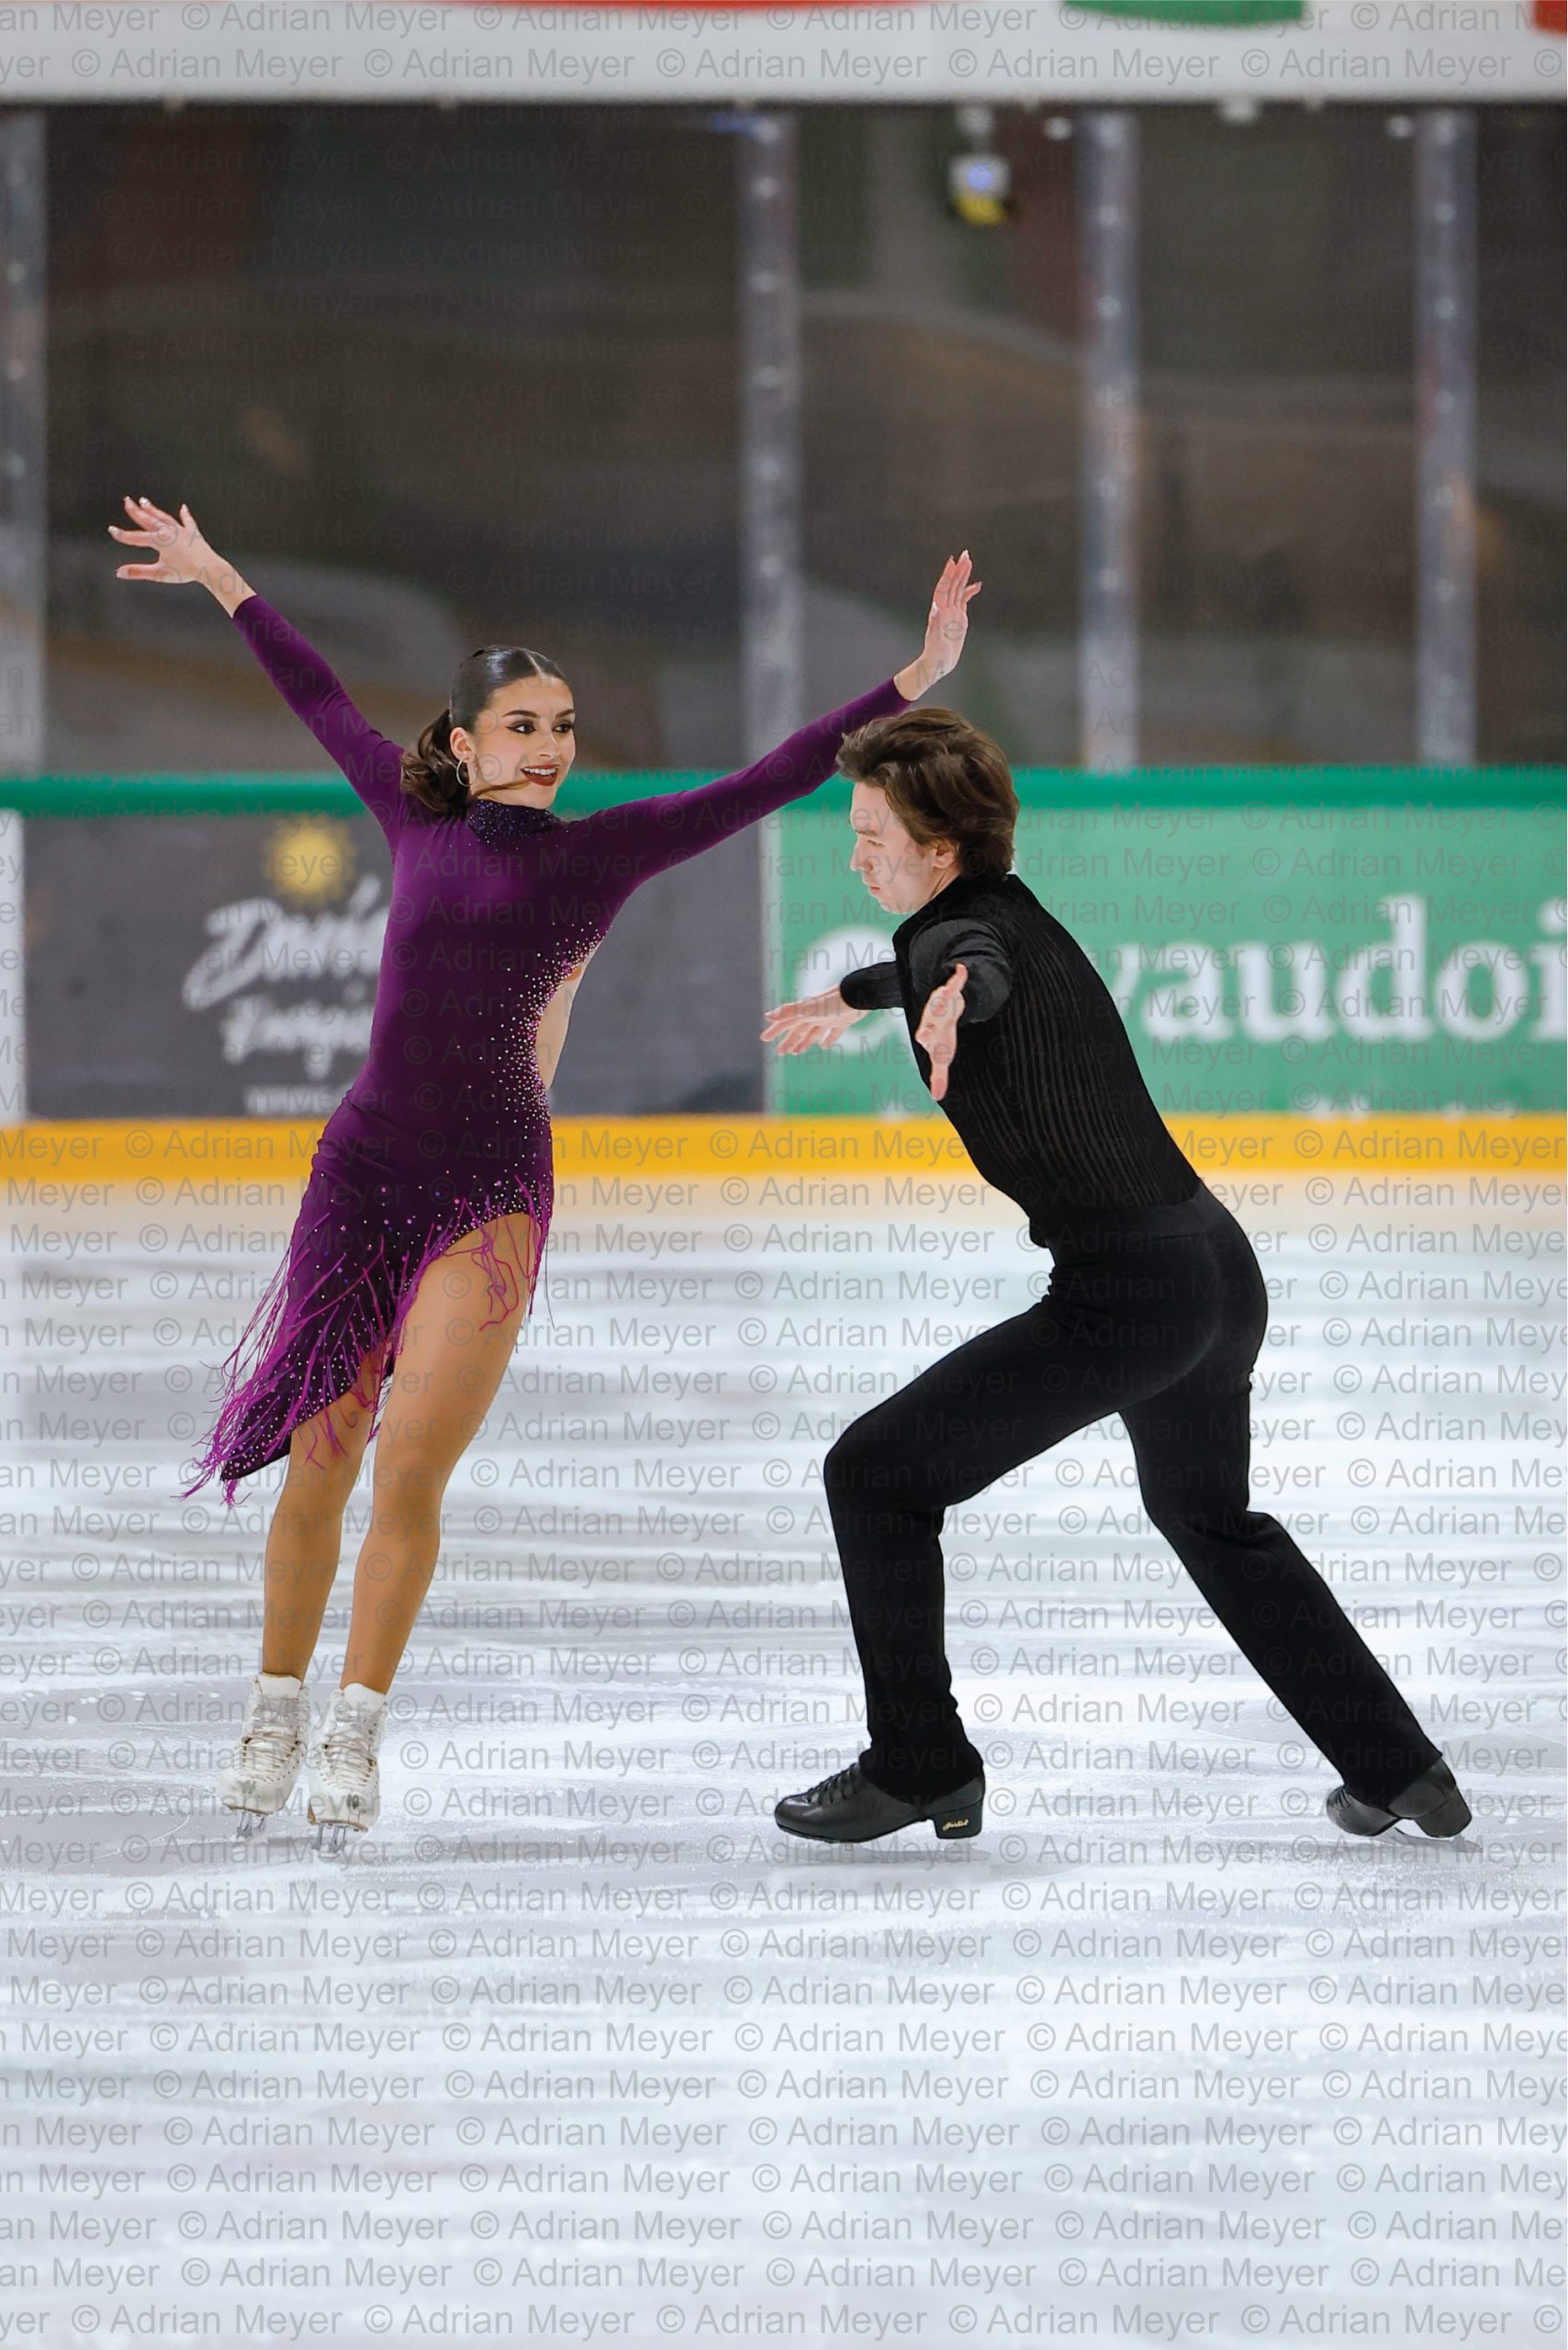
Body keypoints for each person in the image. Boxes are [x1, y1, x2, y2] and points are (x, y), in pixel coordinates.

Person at [109, 493, 980, 1848]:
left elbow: (765, 777)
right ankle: (270, 1710)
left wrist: (911, 682)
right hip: (364, 1173)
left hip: (490, 1192)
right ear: (462, 745)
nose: (552, 749)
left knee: (407, 1473)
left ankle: (354, 1732)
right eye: (523, 726)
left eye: (565, 728)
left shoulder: (600, 857)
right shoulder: (415, 826)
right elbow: (319, 691)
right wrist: (223, 577)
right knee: (322, 1459)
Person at [759, 704, 1473, 1849]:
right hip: (1213, 1267)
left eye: (871, 837)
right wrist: (856, 1000)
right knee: (1208, 1515)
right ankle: (1400, 1768)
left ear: (939, 849)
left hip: (1129, 1295)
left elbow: (965, 972)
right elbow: (939, 959)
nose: (855, 857)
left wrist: (951, 1005)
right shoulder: (1000, 909)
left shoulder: (966, 944)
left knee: (876, 1475)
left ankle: (919, 1764)